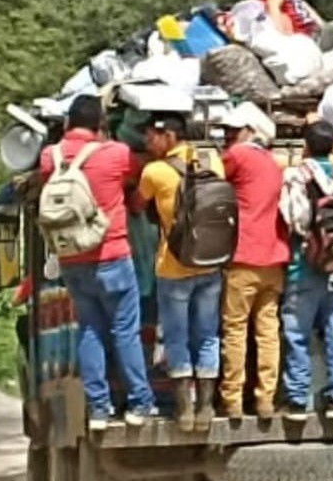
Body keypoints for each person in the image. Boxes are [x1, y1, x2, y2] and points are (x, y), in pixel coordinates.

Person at [37, 95, 157, 431]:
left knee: (90, 329)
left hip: (73, 259)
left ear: (66, 124)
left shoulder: (51, 157)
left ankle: (100, 409)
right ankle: (139, 403)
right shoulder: (116, 154)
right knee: (125, 331)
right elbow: (139, 171)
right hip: (113, 255)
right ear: (102, 125)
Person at [134, 113, 224, 433]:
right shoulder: (210, 158)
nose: (147, 144)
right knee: (207, 334)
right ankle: (207, 407)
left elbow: (137, 205)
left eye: (150, 138)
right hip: (211, 263)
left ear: (168, 136)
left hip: (173, 268)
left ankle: (184, 410)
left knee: (177, 337)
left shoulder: (155, 172)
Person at [277, 121, 333, 420]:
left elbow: (293, 217)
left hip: (304, 265)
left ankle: (297, 399)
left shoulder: (297, 176)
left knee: (297, 331)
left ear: (305, 146)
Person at [218, 111, 290, 419]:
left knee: (235, 330)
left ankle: (232, 400)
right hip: (274, 258)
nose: (230, 137)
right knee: (268, 331)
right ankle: (266, 400)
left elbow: (215, 179)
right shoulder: (274, 163)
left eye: (235, 130)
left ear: (251, 130)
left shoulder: (238, 155)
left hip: (243, 256)